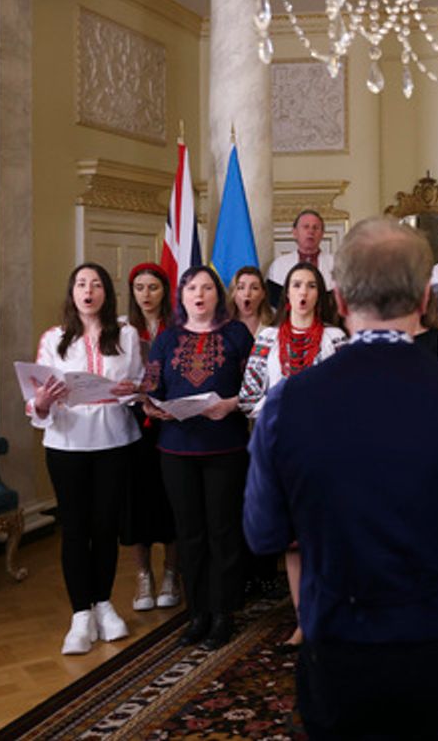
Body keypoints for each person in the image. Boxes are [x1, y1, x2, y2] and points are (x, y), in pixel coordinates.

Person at [243, 218, 438, 739]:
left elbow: (262, 533)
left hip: (341, 643)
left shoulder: (286, 404)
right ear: (425, 296)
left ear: (338, 299)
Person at [29, 263, 143, 655]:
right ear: (72, 292)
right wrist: (41, 402)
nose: (88, 290)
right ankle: (80, 615)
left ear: (107, 293)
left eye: (96, 284)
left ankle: (104, 604)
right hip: (67, 445)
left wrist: (131, 390)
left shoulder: (126, 335)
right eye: (81, 284)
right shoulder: (54, 339)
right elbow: (36, 398)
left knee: (106, 525)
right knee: (75, 528)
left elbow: (137, 387)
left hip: (113, 440)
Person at [143, 266, 254, 650]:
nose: (200, 294)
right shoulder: (167, 338)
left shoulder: (237, 334)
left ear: (217, 296)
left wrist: (232, 403)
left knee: (222, 530)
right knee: (188, 533)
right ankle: (197, 613)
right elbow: (153, 387)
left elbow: (255, 387)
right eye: (192, 288)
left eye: (208, 287)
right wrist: (151, 404)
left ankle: (224, 613)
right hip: (176, 448)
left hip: (225, 446)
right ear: (182, 295)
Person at [239, 262, 348, 650]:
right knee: (293, 541)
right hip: (283, 449)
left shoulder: (335, 338)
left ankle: (332, 614)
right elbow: (248, 396)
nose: (303, 292)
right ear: (287, 293)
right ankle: (303, 620)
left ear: (320, 294)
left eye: (311, 286)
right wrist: (282, 402)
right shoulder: (268, 337)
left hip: (325, 451)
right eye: (296, 285)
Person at [120, 262, 180, 613]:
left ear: (165, 292)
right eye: (139, 288)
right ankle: (144, 575)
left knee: (170, 497)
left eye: (153, 287)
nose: (146, 294)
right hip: (134, 424)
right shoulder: (123, 330)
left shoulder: (177, 329)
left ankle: (173, 572)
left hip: (171, 420)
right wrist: (139, 398)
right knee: (137, 501)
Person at [266, 209, 336, 306]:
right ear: (295, 232)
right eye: (306, 227)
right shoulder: (279, 265)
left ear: (322, 234)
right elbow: (273, 303)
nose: (311, 231)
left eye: (315, 228)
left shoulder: (337, 264)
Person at [229, 265, 274, 339]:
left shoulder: (274, 327)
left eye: (254, 288)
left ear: (263, 294)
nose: (247, 293)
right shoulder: (223, 328)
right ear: (233, 294)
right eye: (241, 287)